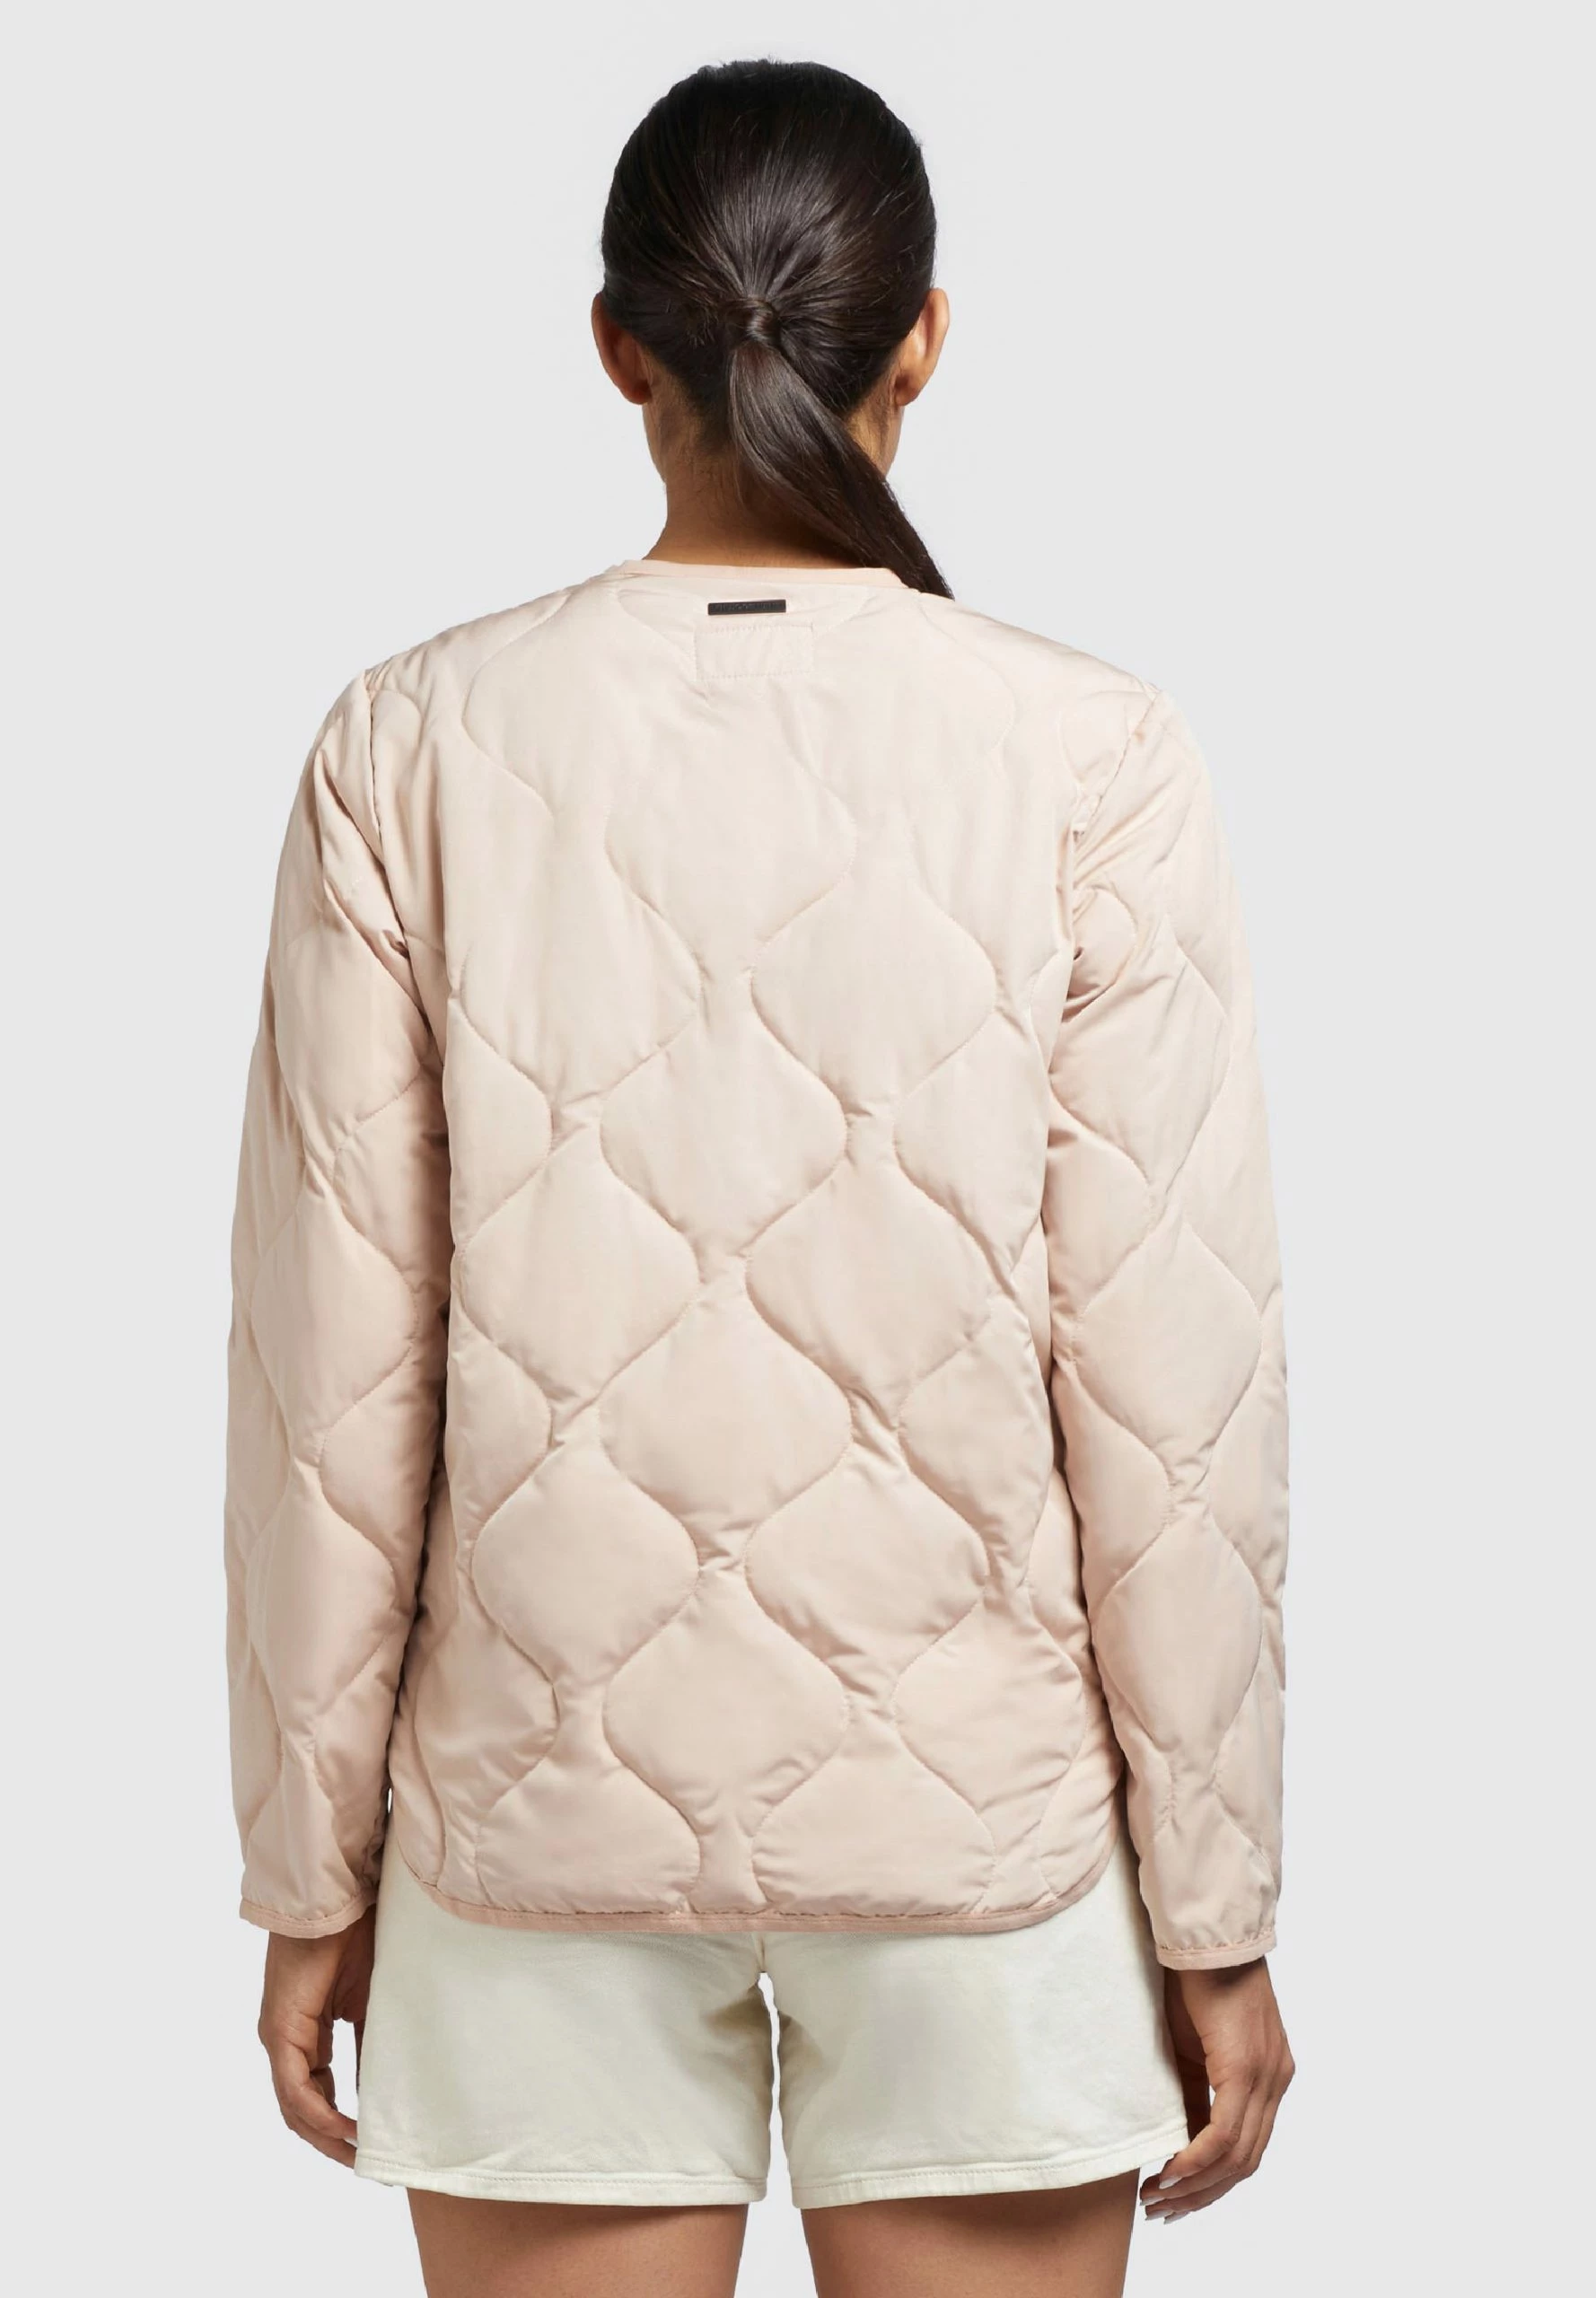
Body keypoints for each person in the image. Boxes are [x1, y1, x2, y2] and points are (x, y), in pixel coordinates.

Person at [226, 57, 1293, 2298]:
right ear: (925, 339)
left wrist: (310, 1869)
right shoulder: (1090, 756)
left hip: (530, 1830)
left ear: (618, 347)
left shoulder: (408, 744)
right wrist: (1214, 1908)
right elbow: (1173, 1399)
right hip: (986, 1839)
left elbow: (331, 1383)